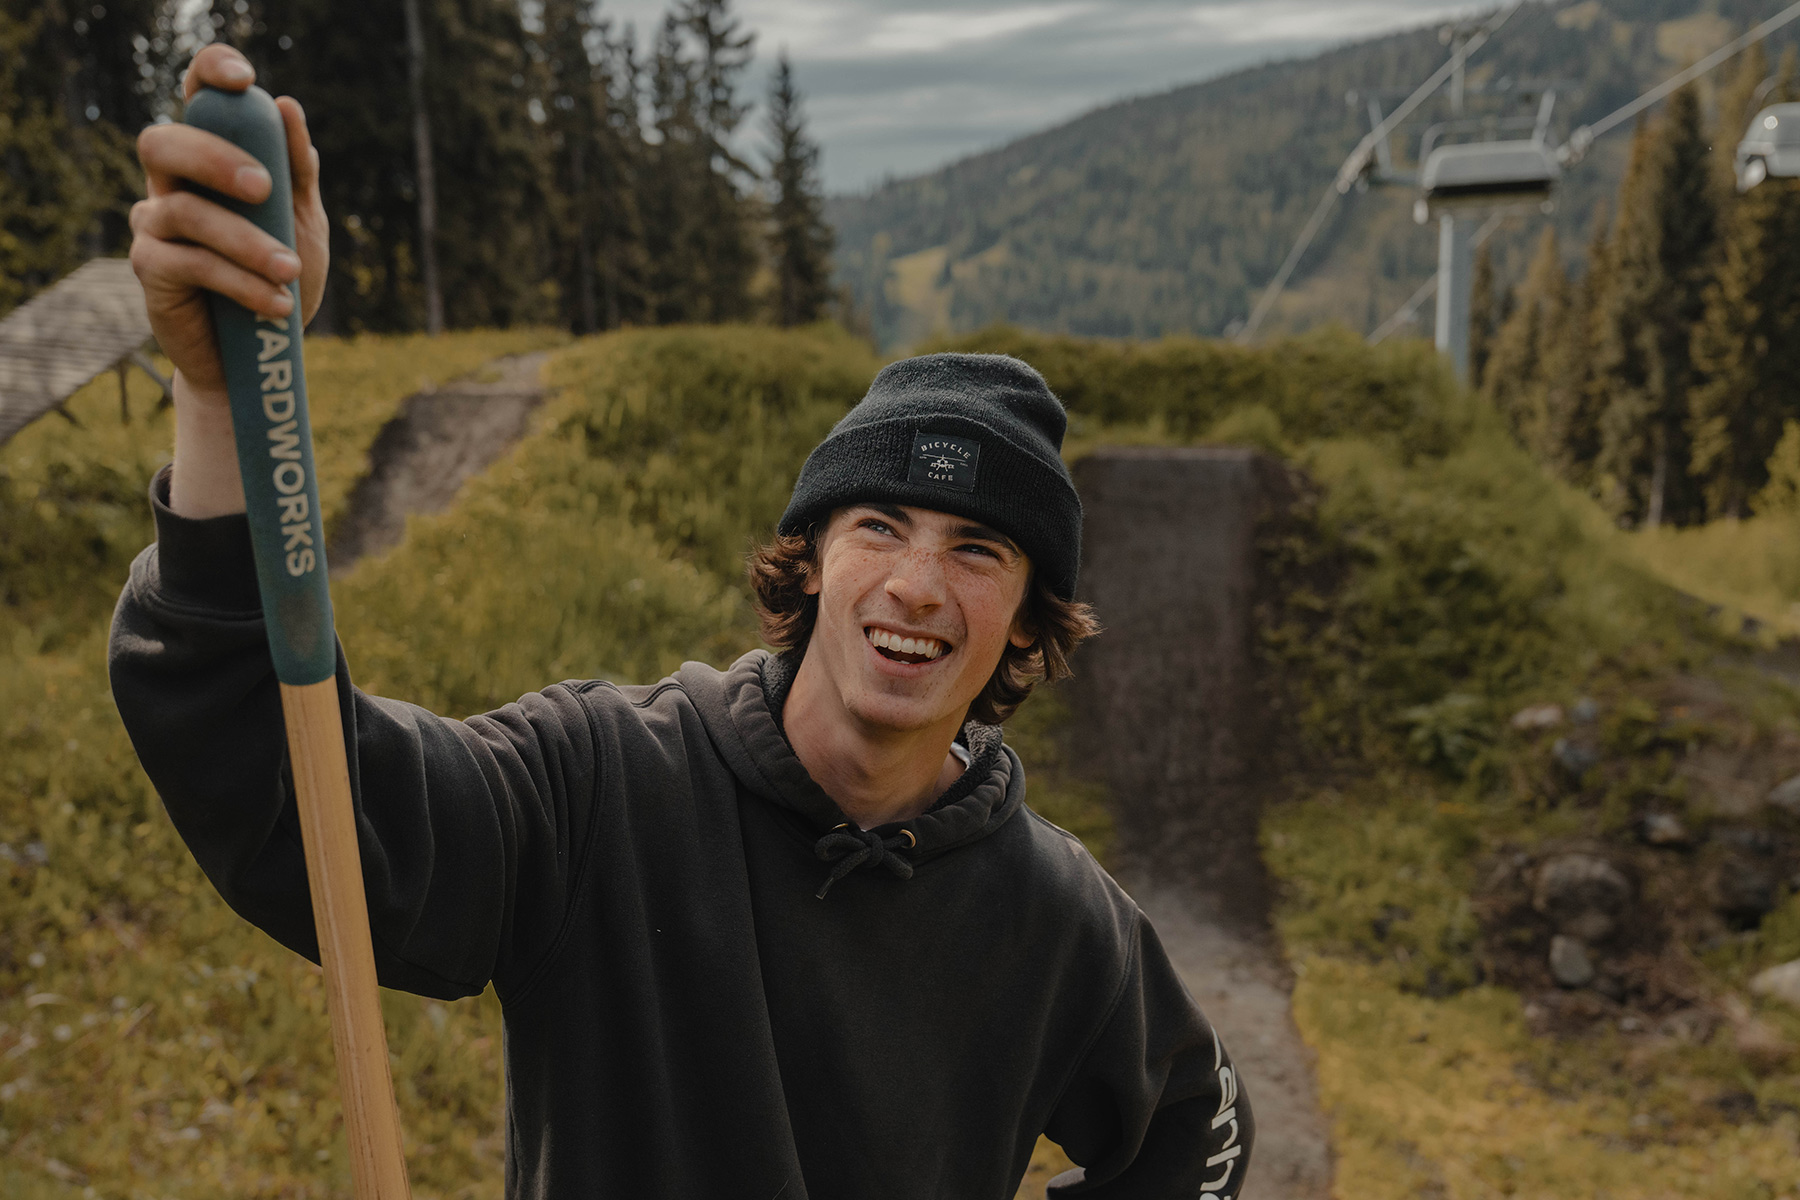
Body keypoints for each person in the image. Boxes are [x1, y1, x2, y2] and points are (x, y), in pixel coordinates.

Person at [110, 43, 1253, 1200]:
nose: (916, 584)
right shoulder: (601, 790)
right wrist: (221, 397)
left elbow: (1198, 1124)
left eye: (978, 550)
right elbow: (285, 778)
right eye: (879, 526)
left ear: (1024, 624)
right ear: (807, 564)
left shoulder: (1053, 918)